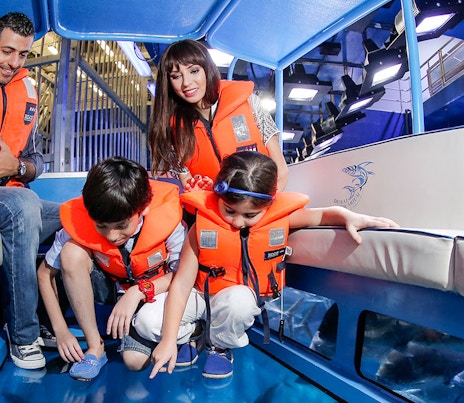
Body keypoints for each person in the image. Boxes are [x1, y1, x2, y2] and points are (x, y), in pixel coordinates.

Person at [137, 151, 399, 381]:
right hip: (199, 296)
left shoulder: (280, 218)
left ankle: (218, 345)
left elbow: (322, 214)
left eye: (250, 215)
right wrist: (170, 339)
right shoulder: (200, 227)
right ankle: (192, 334)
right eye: (229, 211)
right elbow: (181, 285)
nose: (238, 222)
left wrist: (349, 216)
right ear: (218, 195)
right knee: (146, 323)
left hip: (233, 301)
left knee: (238, 302)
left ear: (270, 204)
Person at [58, 156, 187, 380]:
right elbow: (44, 275)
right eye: (102, 226)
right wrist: (61, 330)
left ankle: (190, 333)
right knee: (71, 251)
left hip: (157, 294)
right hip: (112, 292)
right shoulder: (86, 219)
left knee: (134, 361)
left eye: (122, 225)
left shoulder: (171, 224)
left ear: (144, 208)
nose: (112, 235)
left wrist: (137, 292)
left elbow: (184, 276)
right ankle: (95, 348)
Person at [148, 39, 288, 197]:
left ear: (207, 69)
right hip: (214, 214)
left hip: (262, 205)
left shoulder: (250, 102)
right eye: (176, 76)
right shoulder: (172, 132)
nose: (186, 83)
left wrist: (258, 210)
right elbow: (190, 187)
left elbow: (281, 170)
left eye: (194, 71)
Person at [0, 12, 61, 369]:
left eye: (21, 55)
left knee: (78, 214)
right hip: (16, 201)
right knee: (23, 204)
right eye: (6, 51)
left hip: (12, 195)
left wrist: (17, 168)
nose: (13, 62)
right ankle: (23, 335)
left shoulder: (28, 92)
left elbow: (37, 162)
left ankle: (71, 322)